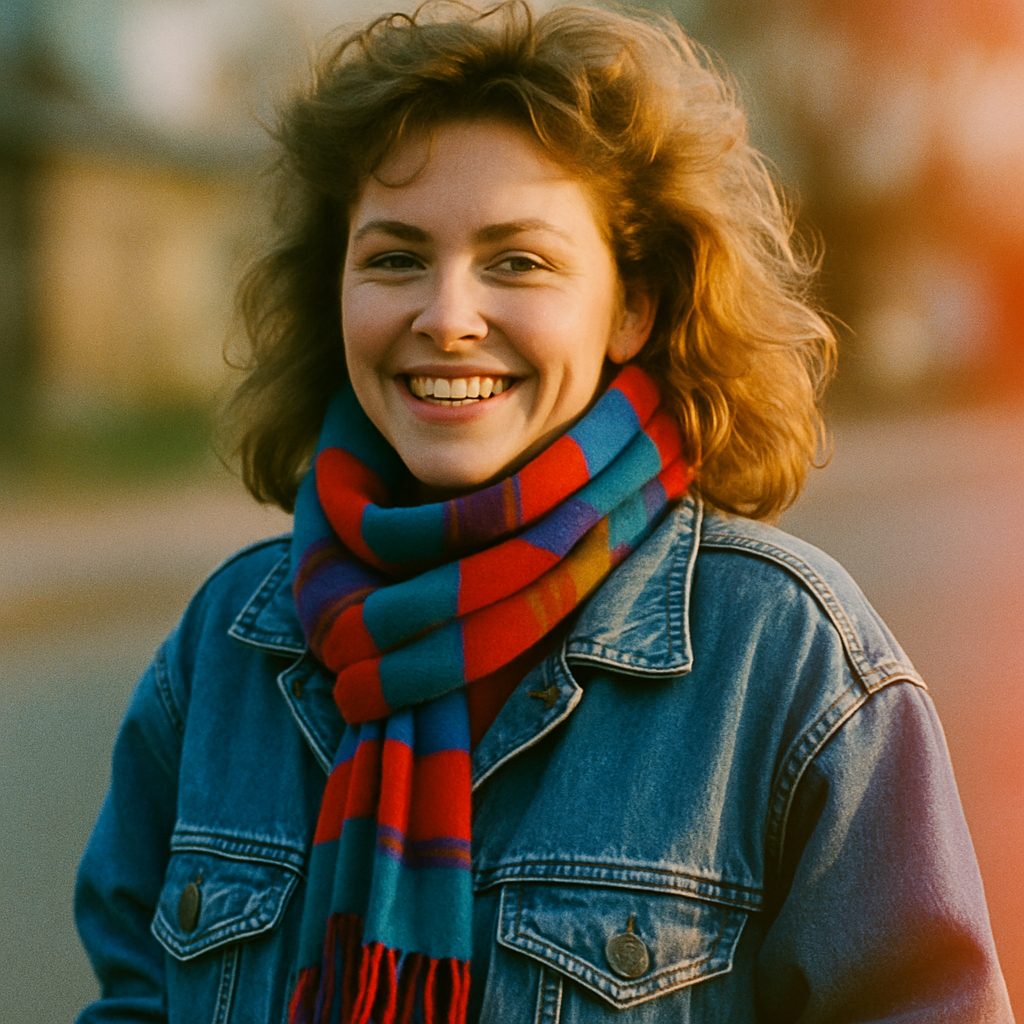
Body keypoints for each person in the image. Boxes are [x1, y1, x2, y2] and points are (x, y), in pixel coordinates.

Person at [74, 2, 1014, 1022]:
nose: (446, 315)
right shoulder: (226, 647)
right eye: (394, 257)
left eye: (516, 260)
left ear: (632, 305)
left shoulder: (786, 662)